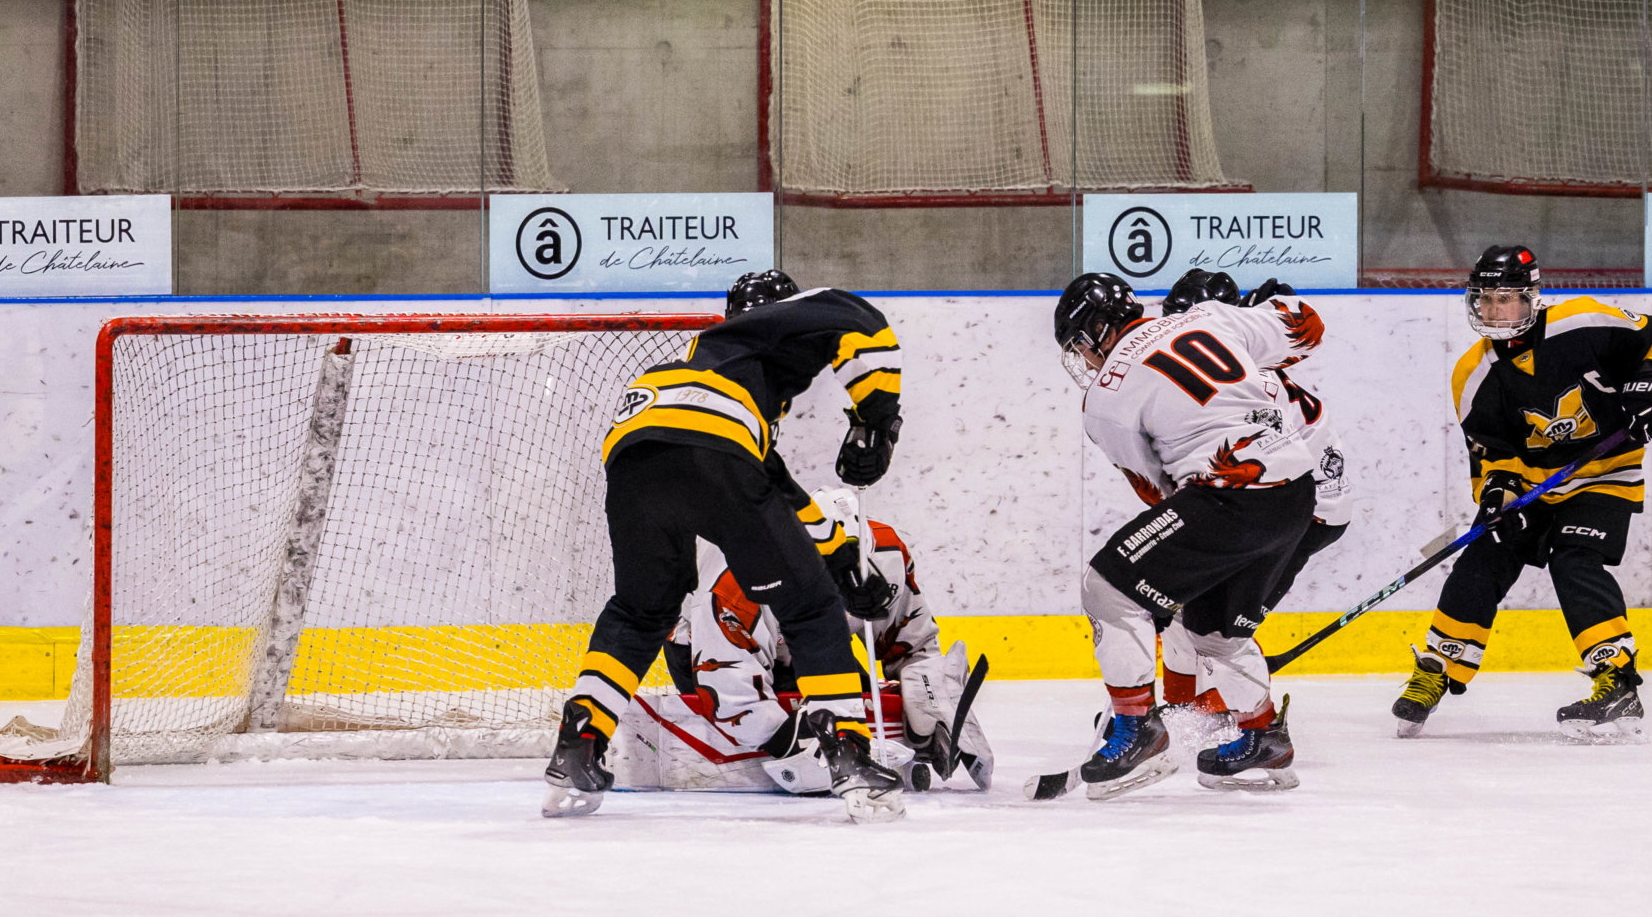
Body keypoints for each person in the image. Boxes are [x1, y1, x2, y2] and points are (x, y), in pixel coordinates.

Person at [544, 270, 908, 820]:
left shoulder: (712, 367)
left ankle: (581, 740)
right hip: (712, 451)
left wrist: (839, 558)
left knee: (642, 611)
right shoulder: (782, 327)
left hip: (632, 453)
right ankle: (851, 755)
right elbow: (856, 315)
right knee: (810, 609)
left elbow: (775, 486)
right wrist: (875, 423)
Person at [1397, 245, 1652, 740]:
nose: (1493, 310)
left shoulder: (1584, 321)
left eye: (1505, 298)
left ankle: (1616, 678)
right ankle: (1439, 668)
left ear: (1532, 297)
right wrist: (1497, 494)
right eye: (1485, 299)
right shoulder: (1472, 374)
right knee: (1481, 559)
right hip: (1532, 488)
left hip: (1604, 473)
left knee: (1575, 560)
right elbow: (1490, 454)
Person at [1056, 270, 1324, 797]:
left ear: (1100, 331)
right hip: (1296, 495)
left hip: (1228, 500)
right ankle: (1264, 736)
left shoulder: (1105, 397)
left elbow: (1156, 489)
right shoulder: (1207, 318)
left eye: (1082, 345)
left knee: (1106, 586)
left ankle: (1137, 727)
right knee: (1215, 631)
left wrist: (1161, 579)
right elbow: (1306, 326)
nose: (1085, 360)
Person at [613, 487, 996, 796]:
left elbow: (913, 645)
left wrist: (927, 701)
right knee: (785, 730)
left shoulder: (887, 554)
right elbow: (727, 691)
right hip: (701, 647)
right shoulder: (741, 577)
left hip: (809, 645)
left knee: (845, 707)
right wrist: (794, 744)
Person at [1153, 272, 1350, 717]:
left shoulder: (1249, 385)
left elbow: (1257, 470)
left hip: (1305, 514)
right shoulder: (1232, 371)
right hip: (1281, 504)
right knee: (1188, 612)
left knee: (1219, 624)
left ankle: (1232, 715)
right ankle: (1188, 709)